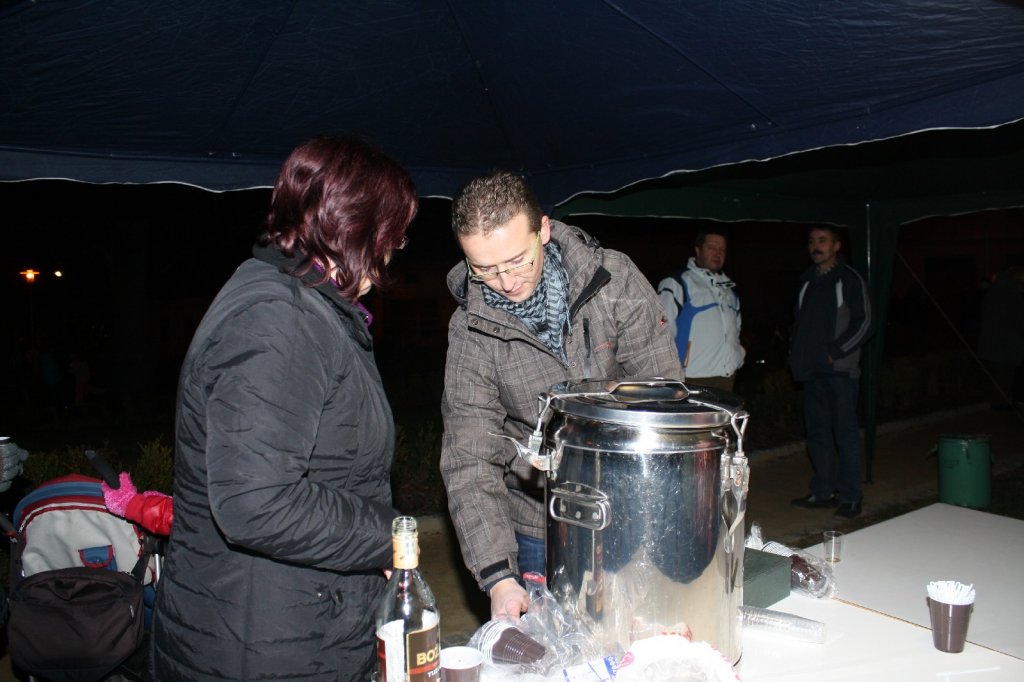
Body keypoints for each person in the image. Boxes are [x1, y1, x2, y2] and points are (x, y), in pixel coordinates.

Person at [150, 135, 417, 680]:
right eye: (393, 233)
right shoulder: (279, 317)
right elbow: (257, 501)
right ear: (355, 227)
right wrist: (387, 537)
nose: (395, 249)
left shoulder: (302, 304)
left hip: (296, 623)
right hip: (261, 644)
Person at [440, 171, 682, 621]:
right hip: (537, 521)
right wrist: (498, 576)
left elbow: (663, 398)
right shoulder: (470, 330)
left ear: (544, 230)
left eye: (517, 260)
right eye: (485, 269)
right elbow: (469, 456)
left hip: (629, 506)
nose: (506, 282)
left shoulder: (614, 281)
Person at [789, 226, 873, 519]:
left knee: (845, 436)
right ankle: (823, 491)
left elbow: (865, 323)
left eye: (822, 241)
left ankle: (850, 496)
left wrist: (835, 352)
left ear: (836, 246)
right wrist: (796, 356)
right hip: (812, 372)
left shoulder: (849, 279)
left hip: (840, 373)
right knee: (817, 435)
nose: (816, 246)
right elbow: (799, 325)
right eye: (812, 241)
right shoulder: (806, 282)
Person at [657, 230, 744, 392]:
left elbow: (736, 329)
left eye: (722, 250)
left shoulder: (729, 289)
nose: (718, 253)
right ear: (698, 250)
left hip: (727, 376)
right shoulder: (677, 282)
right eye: (712, 247)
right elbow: (660, 327)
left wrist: (738, 355)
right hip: (691, 376)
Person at [976, 266, 1024, 410]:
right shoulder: (1011, 292)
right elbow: (1017, 317)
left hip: (995, 340)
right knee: (1005, 374)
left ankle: (1001, 402)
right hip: (1006, 341)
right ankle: (1001, 404)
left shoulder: (995, 291)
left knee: (1001, 374)